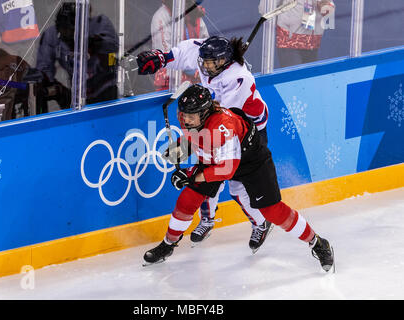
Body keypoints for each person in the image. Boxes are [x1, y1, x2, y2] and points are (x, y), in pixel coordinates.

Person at [143, 84, 334, 273]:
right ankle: (168, 245)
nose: (185, 119)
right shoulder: (188, 116)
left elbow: (226, 169)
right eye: (184, 114)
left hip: (250, 162)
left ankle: (317, 242)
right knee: (187, 200)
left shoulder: (224, 126)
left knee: (272, 212)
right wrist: (181, 148)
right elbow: (199, 140)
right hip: (220, 158)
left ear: (204, 113)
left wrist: (192, 175)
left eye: (190, 116)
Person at [136, 36, 272, 253]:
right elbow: (183, 54)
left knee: (236, 188)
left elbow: (219, 122)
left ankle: (261, 223)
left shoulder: (239, 79)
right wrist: (163, 58)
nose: (206, 66)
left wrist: (185, 145)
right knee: (206, 177)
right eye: (205, 62)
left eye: (212, 63)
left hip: (245, 130)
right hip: (216, 127)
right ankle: (208, 220)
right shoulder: (206, 53)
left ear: (225, 61)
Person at [35, 2, 119, 111]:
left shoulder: (100, 23)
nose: (65, 34)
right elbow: (44, 68)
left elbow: (114, 48)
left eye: (70, 30)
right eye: (62, 29)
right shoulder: (52, 35)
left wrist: (96, 43)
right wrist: (46, 81)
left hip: (105, 90)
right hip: (76, 95)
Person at [150, 0, 209, 91]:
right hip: (170, 82)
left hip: (197, 80)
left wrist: (203, 68)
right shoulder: (161, 16)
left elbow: (206, 46)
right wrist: (192, 68)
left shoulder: (195, 14)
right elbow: (164, 53)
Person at [259, 0, 335, 68]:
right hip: (289, 42)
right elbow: (265, 9)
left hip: (313, 44)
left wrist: (324, 5)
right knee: (293, 80)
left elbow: (328, 11)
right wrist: (283, 25)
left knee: (308, 81)